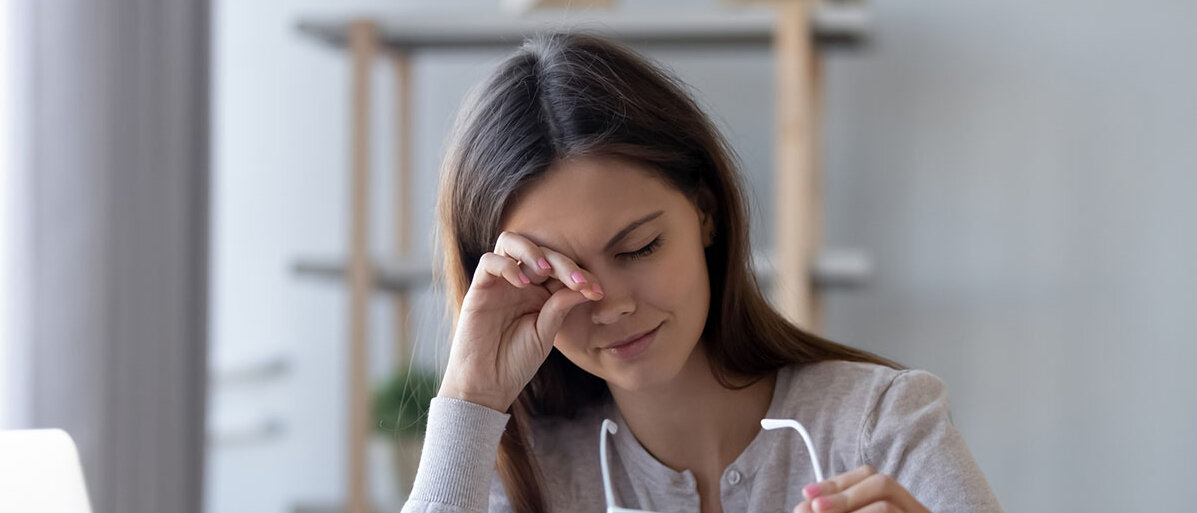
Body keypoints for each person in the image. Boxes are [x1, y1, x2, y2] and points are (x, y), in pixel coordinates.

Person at [404, 32, 1003, 513]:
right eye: (558, 278)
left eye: (639, 247)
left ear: (707, 214)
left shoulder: (879, 425)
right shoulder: (520, 473)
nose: (609, 304)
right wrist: (470, 395)